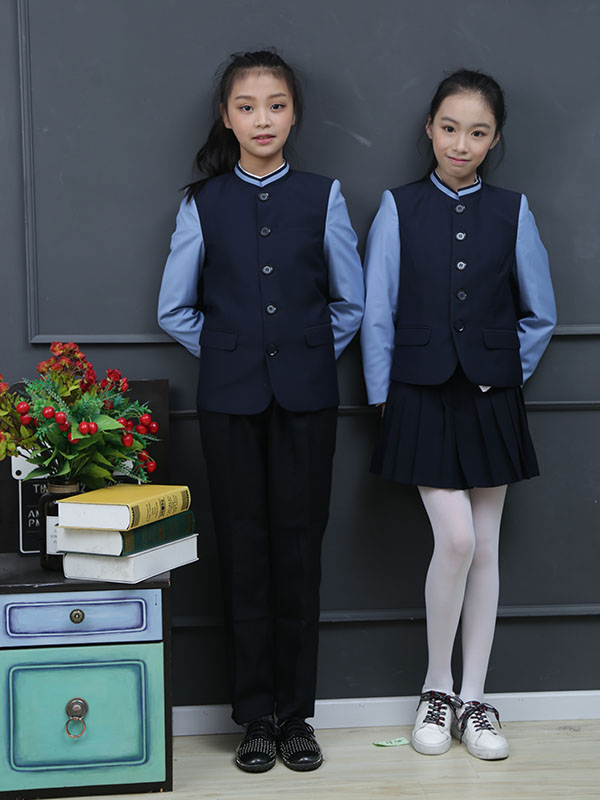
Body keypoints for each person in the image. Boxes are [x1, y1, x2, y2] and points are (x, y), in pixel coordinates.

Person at [158, 49, 364, 773]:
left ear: (294, 113)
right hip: (229, 401)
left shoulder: (324, 196)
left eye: (275, 105)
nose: (262, 119)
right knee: (242, 554)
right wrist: (232, 353)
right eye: (247, 107)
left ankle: (296, 715)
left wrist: (298, 354)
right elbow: (174, 308)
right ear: (227, 117)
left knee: (298, 554)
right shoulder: (202, 203)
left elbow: (349, 303)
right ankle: (254, 718)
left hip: (307, 400)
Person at [361, 69, 556, 761]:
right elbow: (376, 310)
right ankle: (435, 688)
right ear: (430, 129)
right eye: (450, 128)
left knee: (487, 547)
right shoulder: (398, 206)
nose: (461, 144)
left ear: (494, 139)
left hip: (490, 397)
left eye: (477, 132)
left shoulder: (514, 210)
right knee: (458, 540)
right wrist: (383, 395)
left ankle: (474, 700)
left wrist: (502, 371)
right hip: (416, 394)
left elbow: (541, 313)